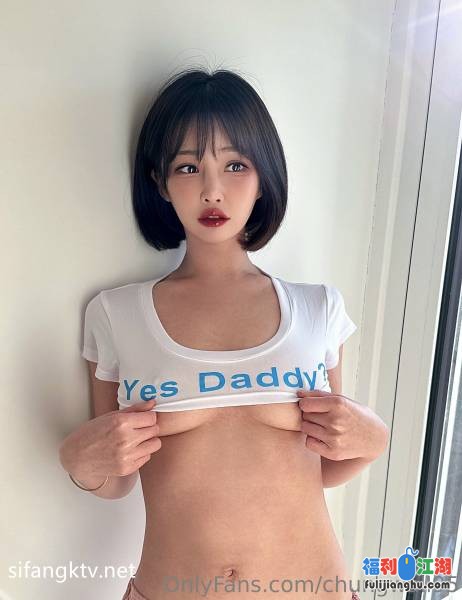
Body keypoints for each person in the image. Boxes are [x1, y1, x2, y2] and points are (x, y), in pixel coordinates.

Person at [59, 67, 389, 600]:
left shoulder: (317, 309)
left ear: (264, 177)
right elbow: (116, 478)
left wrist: (374, 441)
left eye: (236, 165)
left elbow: (324, 465)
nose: (212, 190)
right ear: (160, 182)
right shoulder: (117, 315)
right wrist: (79, 463)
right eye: (188, 167)